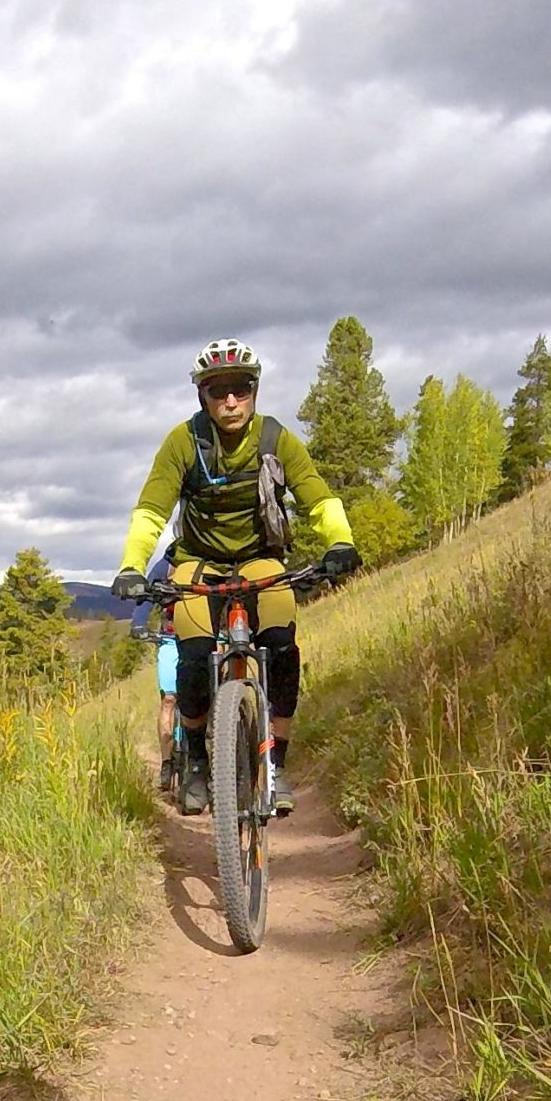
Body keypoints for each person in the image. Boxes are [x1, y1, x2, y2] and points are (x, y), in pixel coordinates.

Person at [111, 338, 357, 817]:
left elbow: (318, 498)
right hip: (197, 563)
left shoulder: (274, 439)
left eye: (240, 389)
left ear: (254, 391)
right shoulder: (183, 442)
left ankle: (276, 763)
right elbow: (151, 512)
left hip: (260, 559)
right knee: (194, 652)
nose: (230, 401)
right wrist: (131, 566)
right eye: (217, 391)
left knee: (283, 643)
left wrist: (339, 542)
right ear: (202, 396)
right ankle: (199, 760)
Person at [126, 542, 179, 795]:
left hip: (212, 637)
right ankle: (168, 761)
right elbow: (146, 595)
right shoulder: (167, 563)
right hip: (171, 638)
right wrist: (139, 623)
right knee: (169, 699)